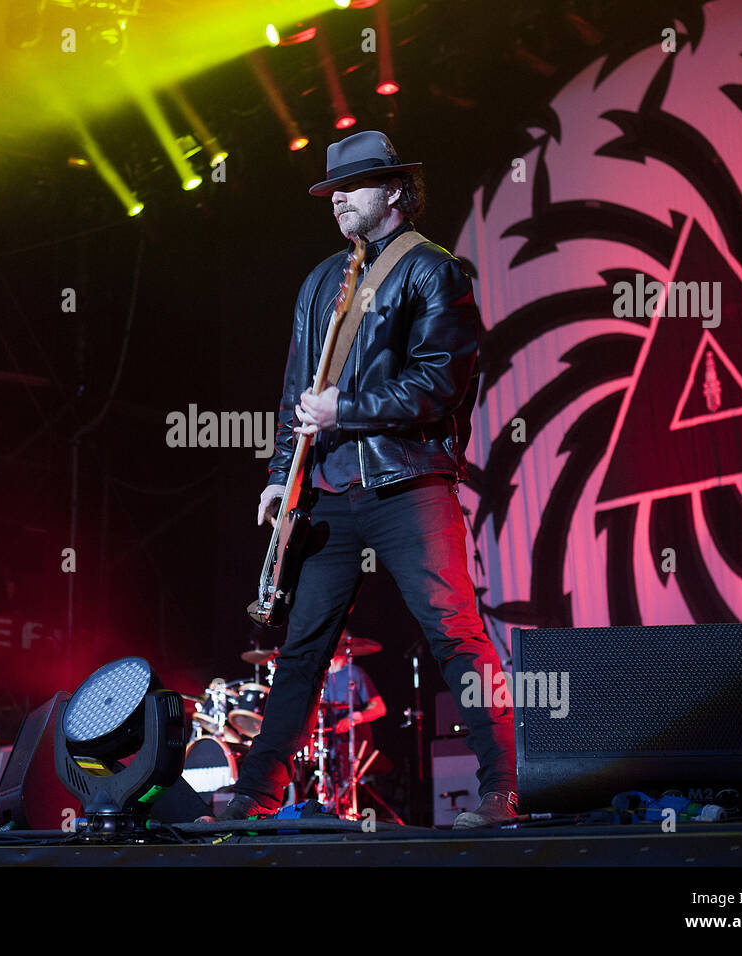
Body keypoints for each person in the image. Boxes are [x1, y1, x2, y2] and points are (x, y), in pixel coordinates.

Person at [221, 130, 517, 828]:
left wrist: (345, 409)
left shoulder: (434, 271)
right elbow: (297, 387)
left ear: (392, 191)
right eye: (331, 191)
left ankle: (502, 791)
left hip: (409, 480)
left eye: (351, 188)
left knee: (454, 633)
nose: (338, 201)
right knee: (301, 650)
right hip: (327, 487)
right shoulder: (322, 279)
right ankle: (254, 794)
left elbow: (441, 382)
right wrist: (278, 474)